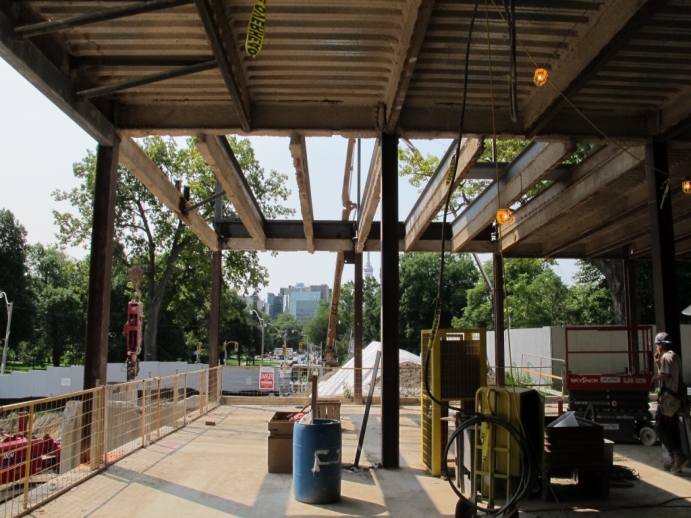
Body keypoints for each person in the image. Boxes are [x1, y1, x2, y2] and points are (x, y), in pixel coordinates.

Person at [651, 332, 688, 474]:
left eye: (657, 345)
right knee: (672, 427)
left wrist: (654, 378)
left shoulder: (666, 356)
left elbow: (666, 376)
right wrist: (658, 363)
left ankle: (677, 455)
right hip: (675, 398)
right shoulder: (675, 356)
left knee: (660, 427)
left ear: (660, 345)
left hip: (668, 398)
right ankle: (676, 459)